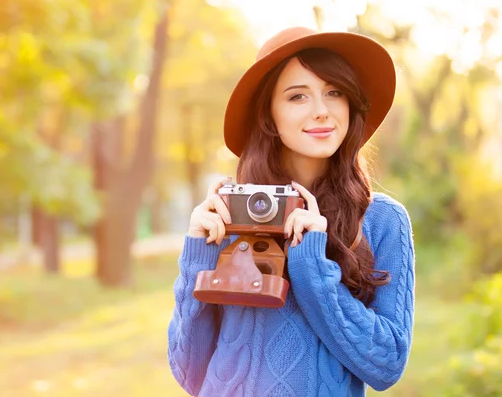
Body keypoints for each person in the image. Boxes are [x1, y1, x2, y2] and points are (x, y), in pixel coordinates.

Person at [167, 26, 415, 397]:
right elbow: (190, 372)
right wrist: (197, 258)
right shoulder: (231, 214)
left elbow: (387, 363)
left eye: (334, 92)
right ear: (268, 114)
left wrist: (312, 266)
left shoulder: (381, 221)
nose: (321, 111)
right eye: (297, 96)